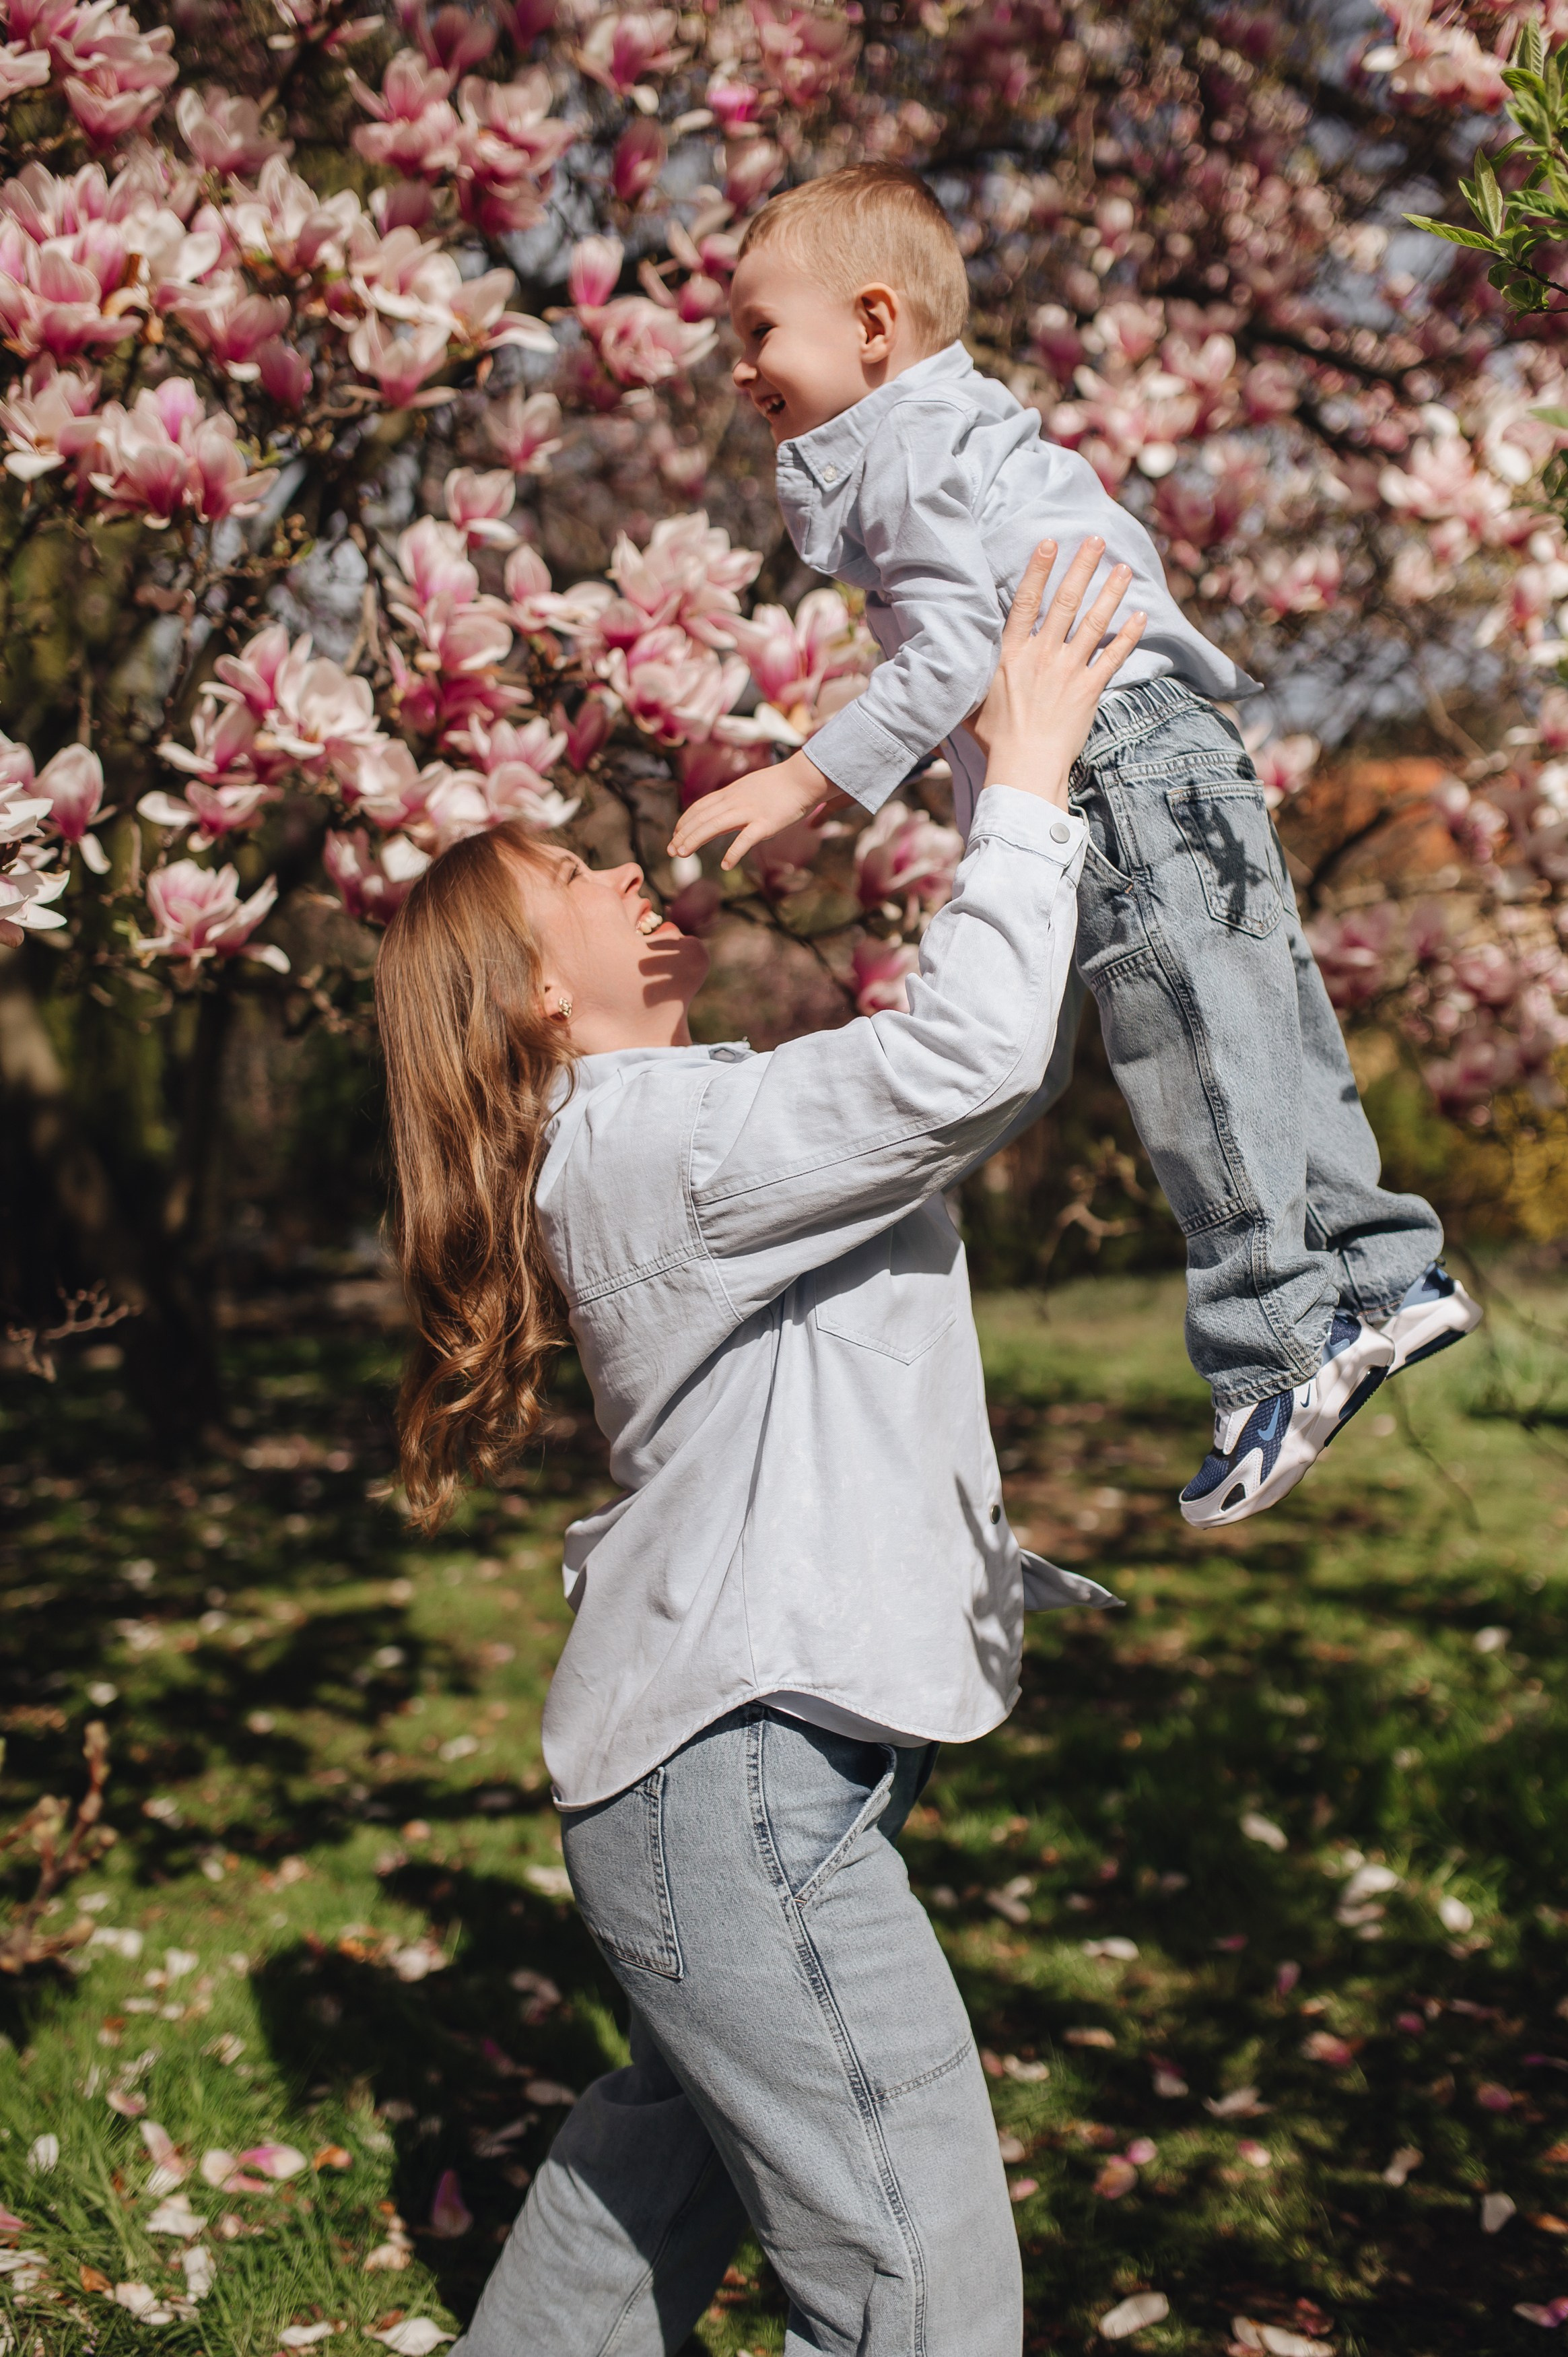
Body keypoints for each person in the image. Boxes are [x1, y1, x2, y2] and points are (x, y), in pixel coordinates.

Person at [375, 541, 1138, 2357]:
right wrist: (1018, 776)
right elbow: (958, 1060)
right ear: (536, 998)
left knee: (652, 2200)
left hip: (740, 1781)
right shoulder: (650, 1150)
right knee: (916, 2280)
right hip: (737, 1791)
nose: (631, 863)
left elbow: (909, 1085)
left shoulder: (684, 1128)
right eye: (576, 873)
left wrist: (931, 764)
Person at [669, 162, 1480, 1530]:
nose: (734, 366)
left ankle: (1279, 1343)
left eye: (757, 331)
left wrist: (812, 782)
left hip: (1109, 747)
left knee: (1187, 1040)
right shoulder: (973, 429)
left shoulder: (901, 448)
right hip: (1178, 736)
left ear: (872, 323)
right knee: (1265, 1018)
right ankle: (1378, 1269)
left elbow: (957, 653)